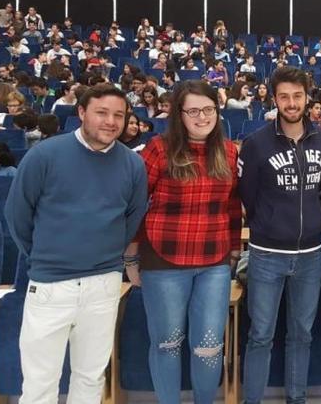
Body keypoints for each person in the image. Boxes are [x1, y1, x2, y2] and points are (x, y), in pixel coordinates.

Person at [4, 84, 148, 404]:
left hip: (103, 284)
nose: (111, 121)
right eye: (102, 113)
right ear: (82, 112)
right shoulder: (44, 155)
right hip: (51, 283)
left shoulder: (133, 165)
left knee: (91, 376)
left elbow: (132, 219)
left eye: (119, 115)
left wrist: (104, 253)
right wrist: (49, 254)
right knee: (41, 382)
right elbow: (17, 216)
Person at [122, 81, 241, 404]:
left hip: (213, 261)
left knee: (209, 346)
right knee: (167, 343)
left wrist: (233, 249)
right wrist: (131, 257)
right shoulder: (158, 149)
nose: (202, 117)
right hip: (164, 261)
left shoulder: (228, 151)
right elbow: (135, 203)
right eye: (193, 111)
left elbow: (231, 205)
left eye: (208, 109)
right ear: (179, 114)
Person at [238, 67, 321, 404]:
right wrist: (270, 222)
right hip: (266, 254)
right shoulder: (256, 143)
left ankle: (297, 398)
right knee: (261, 335)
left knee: (302, 335)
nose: (291, 103)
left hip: (311, 254)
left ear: (307, 98)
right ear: (274, 99)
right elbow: (247, 196)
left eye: (297, 96)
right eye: (284, 97)